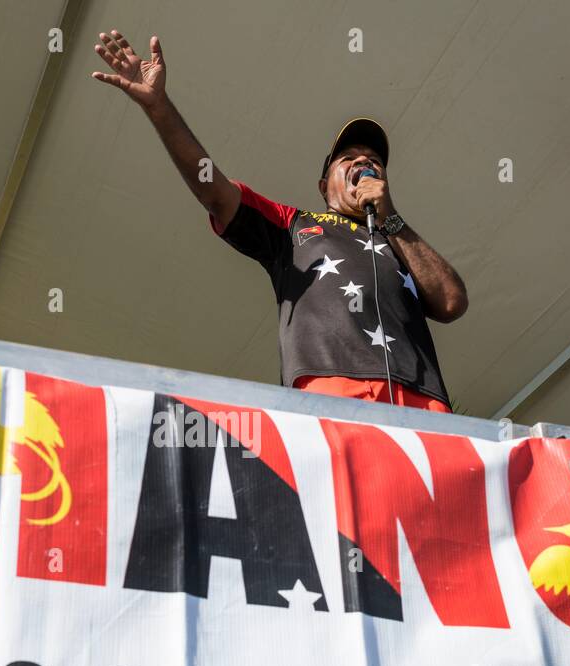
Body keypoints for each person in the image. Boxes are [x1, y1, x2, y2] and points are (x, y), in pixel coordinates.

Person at [91, 30, 468, 412]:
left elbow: (451, 301)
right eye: (349, 157)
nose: (364, 162)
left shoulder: (397, 237)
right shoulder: (295, 225)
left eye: (374, 160)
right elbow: (215, 192)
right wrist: (159, 108)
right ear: (324, 185)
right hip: (334, 386)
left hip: (424, 401)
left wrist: (392, 219)